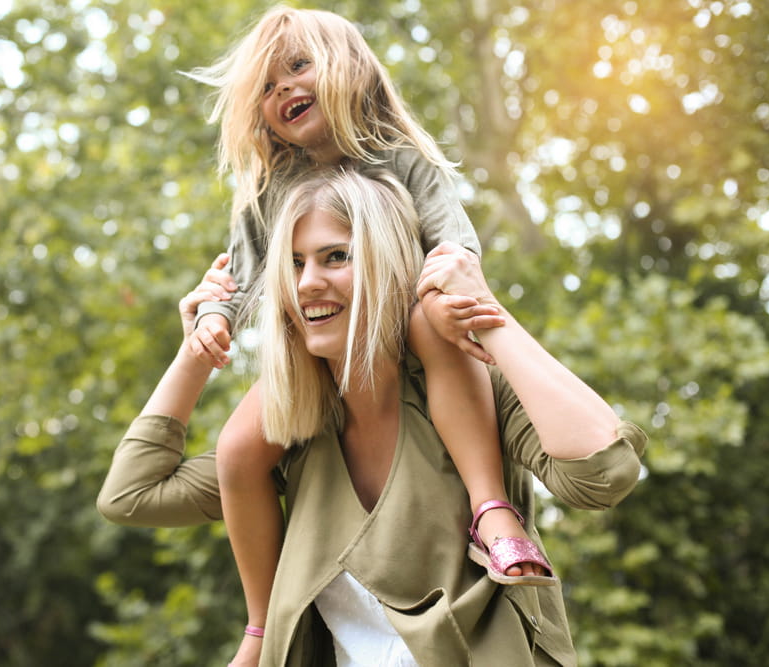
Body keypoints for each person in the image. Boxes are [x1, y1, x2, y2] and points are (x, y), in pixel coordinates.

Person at [98, 167, 647, 666]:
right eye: (294, 264)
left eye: (336, 256)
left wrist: (486, 312)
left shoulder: (468, 390)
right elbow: (130, 495)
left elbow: (604, 473)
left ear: (388, 263)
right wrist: (196, 351)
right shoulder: (300, 438)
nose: (307, 282)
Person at [182, 8, 543, 663]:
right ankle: (260, 626)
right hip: (328, 348)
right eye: (267, 86)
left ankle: (491, 508)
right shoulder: (271, 190)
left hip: (410, 335)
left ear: (349, 69)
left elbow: (455, 240)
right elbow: (237, 274)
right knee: (236, 448)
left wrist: (448, 285)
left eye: (298, 66)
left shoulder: (401, 160)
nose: (284, 88)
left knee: (426, 317)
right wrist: (213, 318)